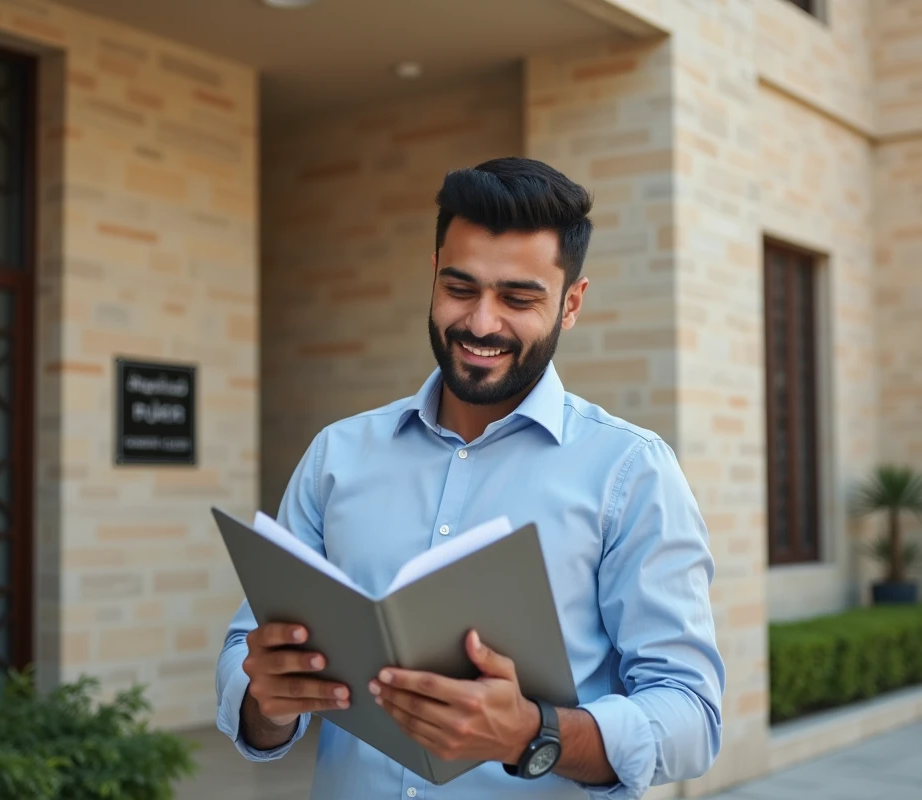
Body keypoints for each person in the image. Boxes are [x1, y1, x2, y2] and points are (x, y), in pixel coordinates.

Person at [214, 157, 725, 799]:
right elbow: (246, 648)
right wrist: (267, 701)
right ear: (433, 275)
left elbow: (690, 716)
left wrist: (531, 735)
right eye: (460, 289)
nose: (481, 324)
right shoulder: (336, 456)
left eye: (518, 299)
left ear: (570, 304)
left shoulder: (631, 471)